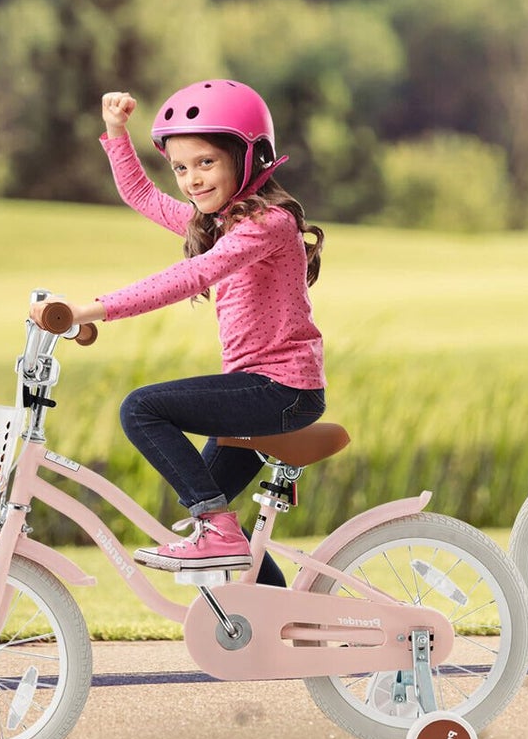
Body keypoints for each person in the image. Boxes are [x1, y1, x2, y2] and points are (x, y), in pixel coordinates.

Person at [33, 80, 325, 577]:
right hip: (257, 390)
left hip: (281, 391)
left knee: (142, 409)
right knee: (209, 514)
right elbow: (141, 194)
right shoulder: (218, 224)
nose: (191, 180)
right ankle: (275, 610)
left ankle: (219, 532)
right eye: (181, 168)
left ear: (248, 157)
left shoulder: (268, 223)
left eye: (205, 162)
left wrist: (88, 310)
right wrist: (116, 131)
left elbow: (191, 276)